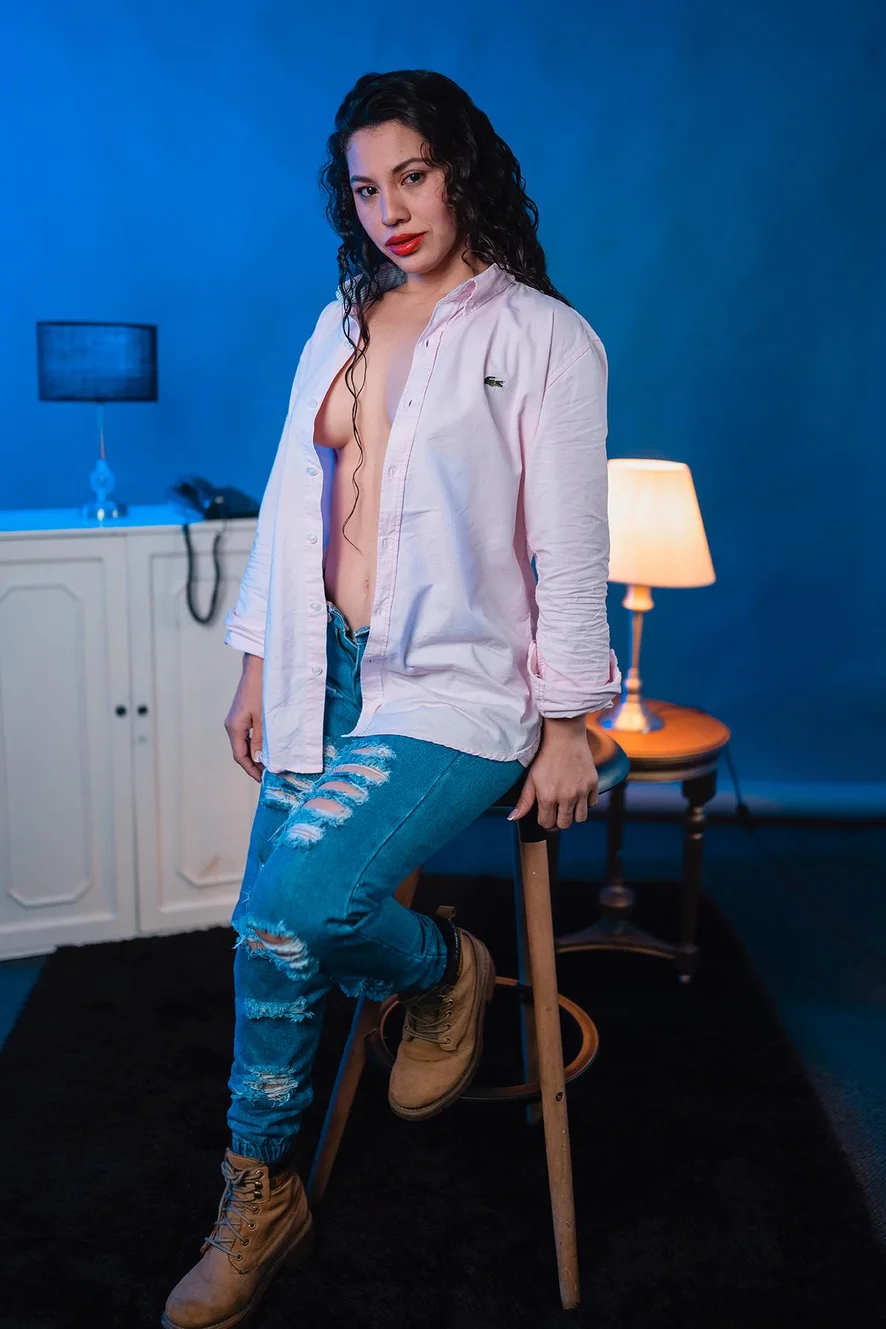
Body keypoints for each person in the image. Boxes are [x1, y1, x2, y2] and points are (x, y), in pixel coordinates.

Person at [162, 67, 621, 1329]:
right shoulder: (340, 323)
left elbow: (570, 543)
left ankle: (441, 971)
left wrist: (570, 723)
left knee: (300, 896)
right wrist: (260, 662)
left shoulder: (544, 338)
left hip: (455, 687)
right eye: (367, 189)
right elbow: (289, 502)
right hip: (323, 668)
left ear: (461, 169)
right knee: (269, 938)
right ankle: (259, 1197)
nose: (392, 211)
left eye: (412, 177)